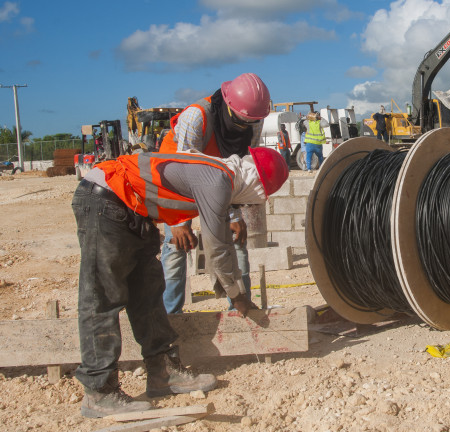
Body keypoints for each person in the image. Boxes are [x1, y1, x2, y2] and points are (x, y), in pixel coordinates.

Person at [72, 147, 289, 418]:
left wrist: (236, 293)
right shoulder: (218, 181)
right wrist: (236, 296)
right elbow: (217, 249)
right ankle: (99, 391)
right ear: (256, 185)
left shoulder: (222, 178)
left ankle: (162, 372)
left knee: (148, 292)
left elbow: (222, 241)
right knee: (103, 296)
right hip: (105, 199)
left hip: (131, 208)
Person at [158, 73, 271, 314]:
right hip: (175, 179)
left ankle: (241, 312)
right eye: (242, 121)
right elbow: (183, 171)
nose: (246, 127)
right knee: (176, 246)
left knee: (236, 241)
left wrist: (234, 216)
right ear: (228, 106)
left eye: (251, 122)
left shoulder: (254, 119)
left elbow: (240, 173)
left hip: (218, 180)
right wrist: (179, 223)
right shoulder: (195, 117)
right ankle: (170, 316)